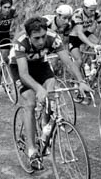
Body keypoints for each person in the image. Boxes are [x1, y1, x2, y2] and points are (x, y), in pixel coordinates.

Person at [10, 16, 92, 170]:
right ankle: (32, 150)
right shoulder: (21, 42)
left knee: (51, 92)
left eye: (43, 36)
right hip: (21, 68)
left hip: (41, 65)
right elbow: (24, 74)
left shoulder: (53, 38)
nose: (41, 41)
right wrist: (38, 89)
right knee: (30, 102)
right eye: (36, 38)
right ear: (28, 36)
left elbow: (68, 62)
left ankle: (44, 127)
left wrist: (81, 81)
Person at [68, 0, 101, 78]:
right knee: (79, 60)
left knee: (98, 44)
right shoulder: (78, 14)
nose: (93, 13)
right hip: (74, 36)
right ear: (84, 8)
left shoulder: (96, 13)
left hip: (85, 33)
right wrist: (91, 45)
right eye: (91, 10)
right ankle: (76, 80)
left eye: (94, 10)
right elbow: (79, 33)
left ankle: (93, 66)